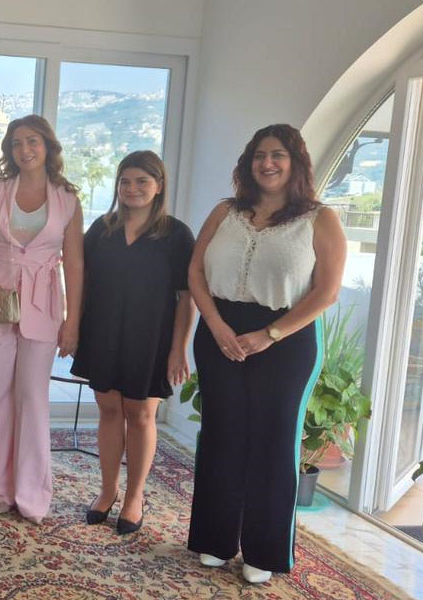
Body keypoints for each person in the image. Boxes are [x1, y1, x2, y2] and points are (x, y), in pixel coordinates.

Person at [186, 124, 346, 583]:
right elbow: (195, 271)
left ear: (295, 163)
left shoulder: (320, 219)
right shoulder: (225, 212)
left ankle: (265, 551)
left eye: (277, 155)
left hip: (286, 339)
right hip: (219, 331)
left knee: (274, 444)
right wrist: (215, 324)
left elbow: (326, 292)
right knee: (221, 435)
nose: (267, 163)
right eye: (259, 155)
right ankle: (214, 539)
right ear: (248, 163)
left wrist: (269, 335)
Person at [0, 114, 84, 524]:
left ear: (47, 146)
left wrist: (72, 320)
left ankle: (31, 493)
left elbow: (75, 264)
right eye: (16, 143)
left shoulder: (67, 198)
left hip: (44, 304)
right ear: (9, 151)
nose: (25, 149)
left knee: (32, 399)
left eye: (32, 141)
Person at [70, 150, 195, 534]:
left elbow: (186, 297)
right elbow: (81, 280)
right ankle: (108, 490)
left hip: (151, 338)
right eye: (125, 181)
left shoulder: (176, 235)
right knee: (109, 412)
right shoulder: (102, 229)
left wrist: (178, 348)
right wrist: (74, 326)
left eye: (142, 181)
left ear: (159, 186)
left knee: (140, 415)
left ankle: (134, 497)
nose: (132, 188)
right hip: (103, 331)